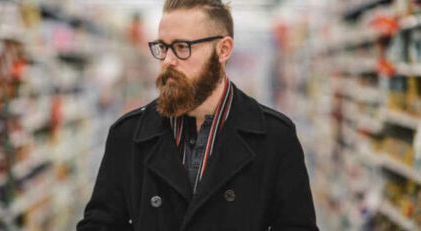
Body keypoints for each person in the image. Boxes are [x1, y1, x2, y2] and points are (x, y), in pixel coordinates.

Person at [76, 0, 319, 230]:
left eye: (182, 47)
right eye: (163, 47)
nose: (168, 61)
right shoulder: (128, 136)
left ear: (223, 50)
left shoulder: (276, 138)